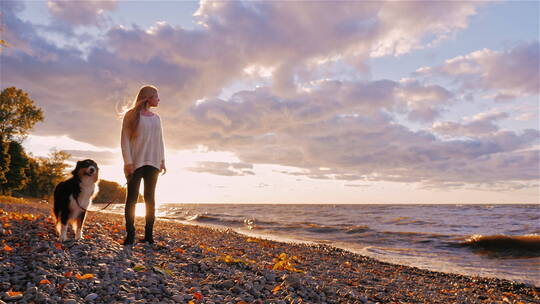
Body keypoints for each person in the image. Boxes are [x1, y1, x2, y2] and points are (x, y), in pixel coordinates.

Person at [121, 85, 166, 245]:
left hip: (153, 163)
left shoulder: (157, 118)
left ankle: (148, 236)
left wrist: (162, 160)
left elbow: (160, 141)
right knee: (131, 199)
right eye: (156, 96)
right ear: (148, 97)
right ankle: (130, 235)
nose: (159, 99)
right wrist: (128, 162)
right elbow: (124, 140)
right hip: (135, 163)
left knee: (150, 199)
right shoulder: (131, 115)